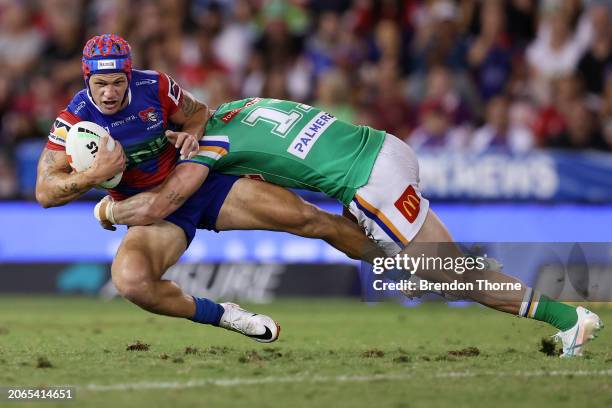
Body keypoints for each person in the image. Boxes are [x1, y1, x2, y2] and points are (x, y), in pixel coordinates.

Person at [101, 97, 603, 357]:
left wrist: (106, 210)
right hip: (387, 147)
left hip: (370, 183)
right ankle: (411, 266)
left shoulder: (209, 147)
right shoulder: (242, 106)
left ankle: (569, 320)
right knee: (387, 253)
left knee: (452, 275)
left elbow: (167, 199)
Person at [35, 34, 385, 344]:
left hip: (200, 183)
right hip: (151, 213)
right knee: (132, 283)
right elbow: (45, 192)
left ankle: (396, 266)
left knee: (309, 219)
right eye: (100, 84)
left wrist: (191, 134)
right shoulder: (72, 121)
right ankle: (224, 315)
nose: (109, 92)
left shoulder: (155, 87)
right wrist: (93, 175)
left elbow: (198, 113)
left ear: (129, 76)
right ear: (87, 80)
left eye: (116, 82)